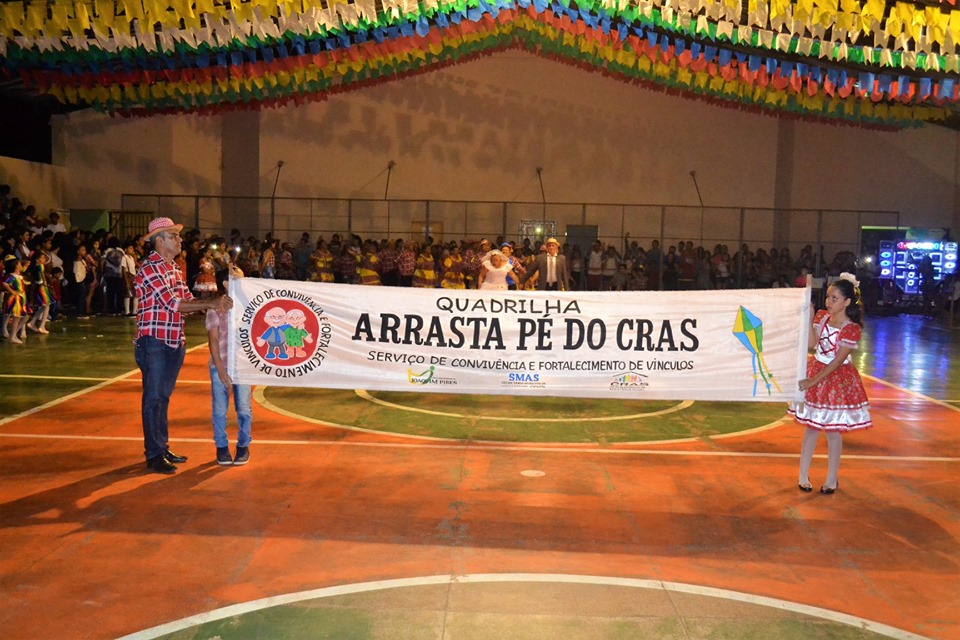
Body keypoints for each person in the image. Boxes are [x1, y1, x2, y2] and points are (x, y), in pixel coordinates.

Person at [135, 217, 233, 474]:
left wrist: (216, 302)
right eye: (173, 235)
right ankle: (154, 453)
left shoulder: (173, 268)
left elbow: (187, 300)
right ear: (159, 240)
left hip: (172, 340)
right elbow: (173, 304)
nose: (179, 240)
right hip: (154, 341)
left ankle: (161, 446)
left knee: (162, 397)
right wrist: (212, 303)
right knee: (154, 397)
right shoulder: (150, 269)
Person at [788, 273, 872, 494]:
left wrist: (812, 381)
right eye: (828, 297)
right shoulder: (823, 317)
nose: (829, 301)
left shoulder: (851, 327)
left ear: (846, 302)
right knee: (812, 428)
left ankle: (832, 479)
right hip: (816, 369)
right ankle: (803, 475)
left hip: (835, 378)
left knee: (833, 431)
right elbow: (812, 344)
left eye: (834, 298)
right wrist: (810, 317)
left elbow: (837, 361)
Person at [206, 267, 252, 466]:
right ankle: (221, 447)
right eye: (236, 276)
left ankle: (243, 445)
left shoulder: (249, 305)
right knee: (219, 409)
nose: (241, 279)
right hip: (221, 365)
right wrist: (220, 368)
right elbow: (213, 339)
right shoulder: (215, 307)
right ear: (225, 283)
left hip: (242, 365)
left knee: (244, 409)